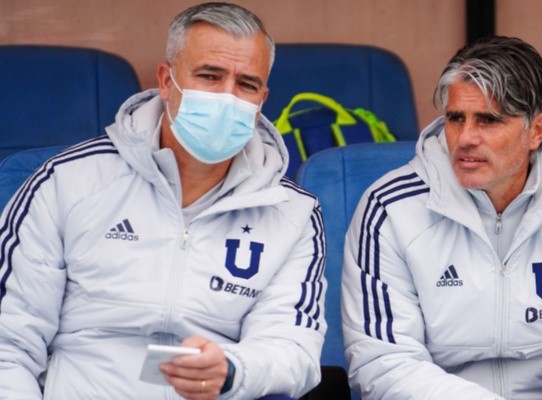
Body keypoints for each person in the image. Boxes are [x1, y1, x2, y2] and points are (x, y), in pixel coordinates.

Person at [0, 3, 326, 399]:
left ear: (262, 99)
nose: (227, 97)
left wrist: (232, 371)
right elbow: (9, 343)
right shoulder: (66, 182)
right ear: (167, 81)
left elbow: (292, 348)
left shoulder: (292, 213)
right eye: (210, 76)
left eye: (246, 84)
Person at [341, 36, 542, 399]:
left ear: (537, 131)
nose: (465, 138)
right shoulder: (390, 210)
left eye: (488, 121)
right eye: (456, 118)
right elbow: (385, 362)